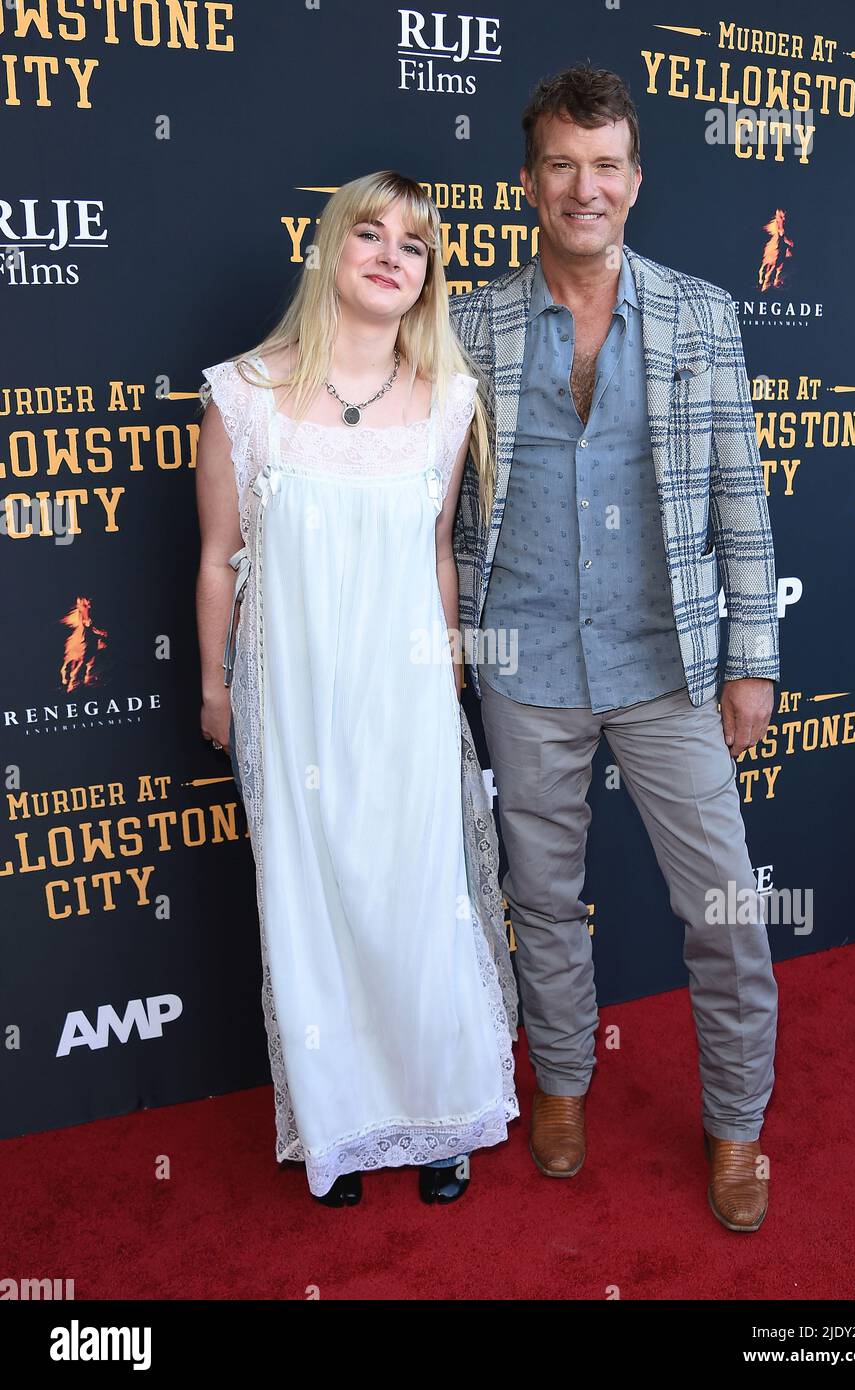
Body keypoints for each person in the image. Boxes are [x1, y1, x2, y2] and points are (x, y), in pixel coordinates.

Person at [449, 65, 780, 1232]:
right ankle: (563, 1087)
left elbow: (740, 493)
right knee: (540, 899)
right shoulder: (467, 320)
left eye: (604, 165)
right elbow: (431, 499)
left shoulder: (700, 314)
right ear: (528, 180)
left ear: (634, 180)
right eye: (559, 165)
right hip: (523, 661)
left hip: (671, 663)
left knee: (726, 909)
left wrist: (755, 655)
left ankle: (737, 1125)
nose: (581, 187)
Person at [195, 171, 519, 1207]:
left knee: (422, 904)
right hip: (290, 701)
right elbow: (218, 558)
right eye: (369, 233)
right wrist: (214, 686)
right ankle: (338, 1125)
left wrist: (450, 680)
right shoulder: (241, 393)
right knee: (310, 908)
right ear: (329, 249)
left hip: (406, 702)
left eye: (414, 245)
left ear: (428, 276)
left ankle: (439, 1115)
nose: (391, 255)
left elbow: (436, 556)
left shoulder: (449, 401)